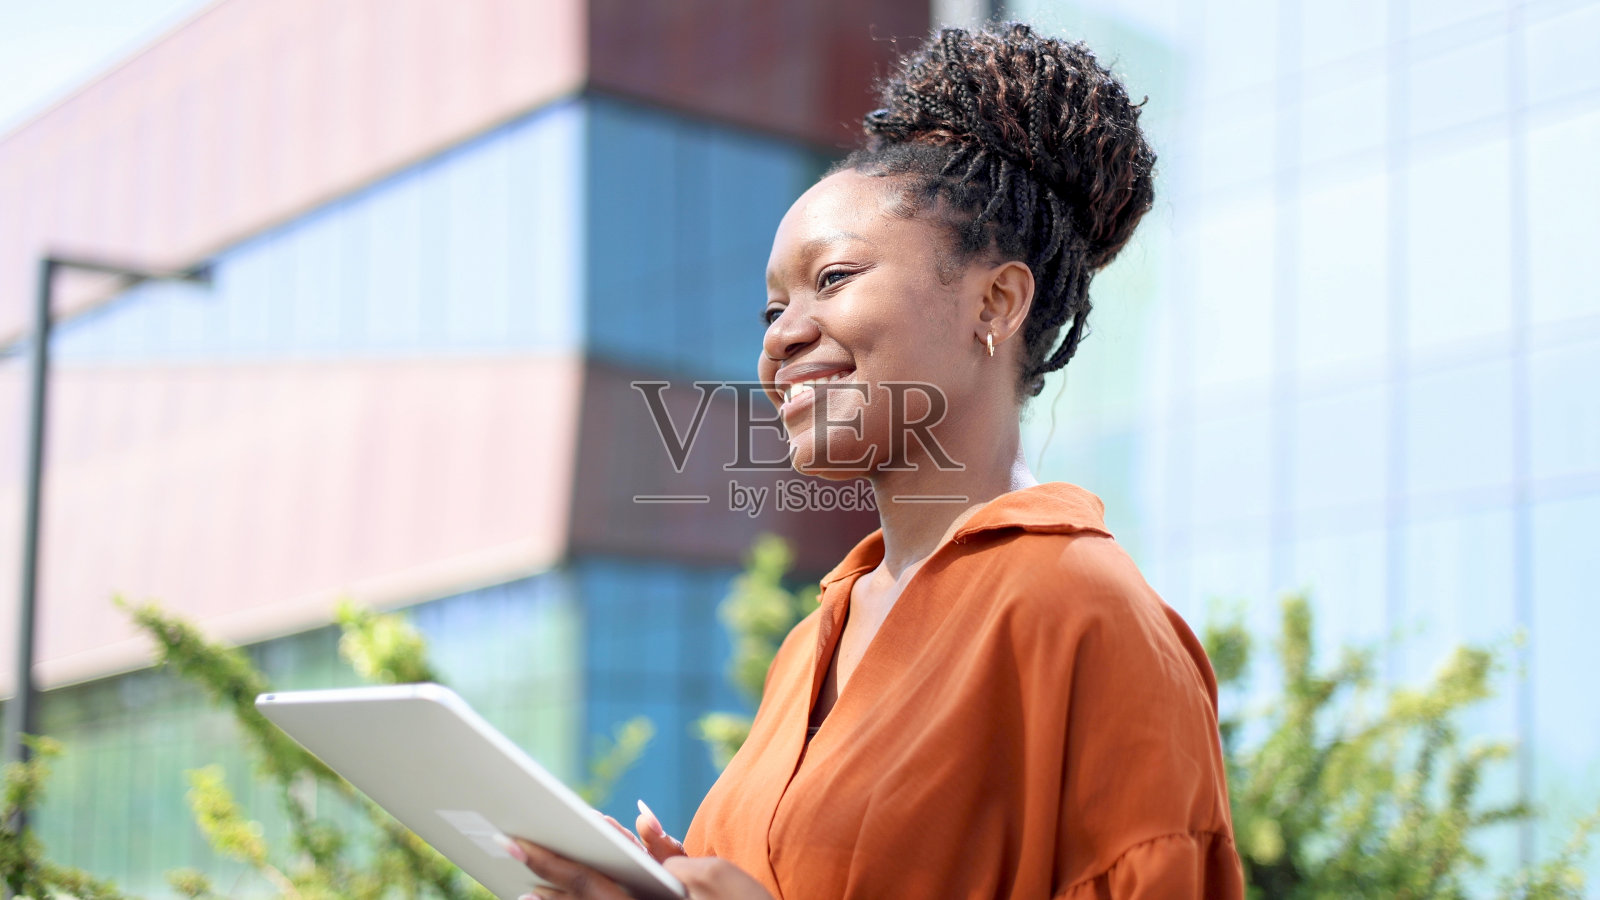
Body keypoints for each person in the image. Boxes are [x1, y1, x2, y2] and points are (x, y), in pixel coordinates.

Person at [504, 22, 1244, 900]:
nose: (781, 337)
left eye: (833, 278)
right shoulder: (810, 643)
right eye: (769, 310)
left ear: (996, 302)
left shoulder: (1084, 616)